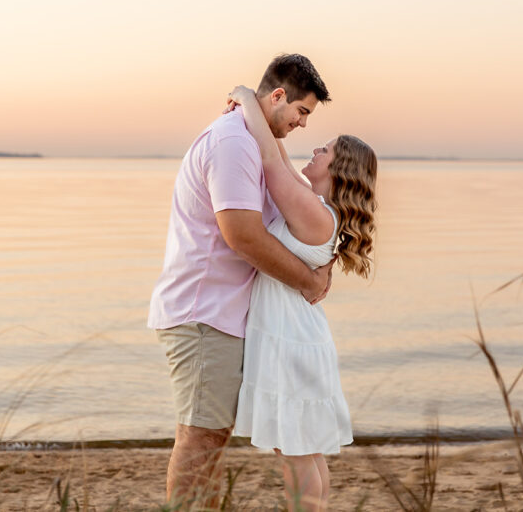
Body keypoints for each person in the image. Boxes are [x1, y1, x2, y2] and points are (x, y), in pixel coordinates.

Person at [148, 54, 334, 509]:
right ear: (277, 97)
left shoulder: (252, 140)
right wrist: (309, 281)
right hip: (204, 313)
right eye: (301, 111)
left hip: (225, 316)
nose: (303, 124)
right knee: (201, 438)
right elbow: (242, 235)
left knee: (210, 437)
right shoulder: (233, 143)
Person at [227, 85, 377, 512]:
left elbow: (274, 164)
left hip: (290, 341)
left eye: (325, 149)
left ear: (340, 167)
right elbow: (282, 159)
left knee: (296, 454)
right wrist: (265, 114)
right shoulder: (316, 206)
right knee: (303, 450)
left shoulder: (314, 213)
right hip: (293, 337)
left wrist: (245, 96)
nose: (315, 147)